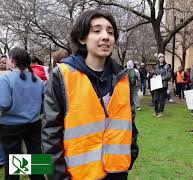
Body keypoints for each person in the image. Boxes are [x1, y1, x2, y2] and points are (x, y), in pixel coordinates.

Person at [42, 10, 139, 180]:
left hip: (117, 172)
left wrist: (131, 151)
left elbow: (129, 122)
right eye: (97, 31)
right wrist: (58, 176)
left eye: (110, 32)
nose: (105, 36)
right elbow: (50, 133)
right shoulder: (62, 75)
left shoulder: (122, 77)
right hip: (78, 175)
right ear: (82, 38)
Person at [0, 47, 45, 180]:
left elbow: (4, 104)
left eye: (7, 58)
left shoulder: (6, 78)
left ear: (12, 61)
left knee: (12, 160)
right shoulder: (37, 79)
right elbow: (44, 103)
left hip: (10, 126)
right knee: (36, 157)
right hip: (34, 123)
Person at [153, 53, 171, 118]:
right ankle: (156, 111)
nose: (161, 58)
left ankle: (161, 112)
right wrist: (155, 76)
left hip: (163, 85)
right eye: (160, 57)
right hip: (157, 84)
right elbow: (155, 73)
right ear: (158, 58)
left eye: (162, 57)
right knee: (155, 99)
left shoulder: (167, 66)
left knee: (162, 99)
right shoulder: (157, 66)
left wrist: (161, 78)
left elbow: (169, 76)